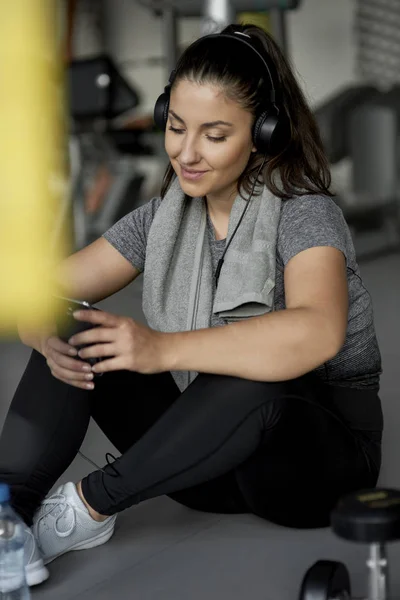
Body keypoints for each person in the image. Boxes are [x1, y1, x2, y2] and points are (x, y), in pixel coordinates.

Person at [0, 23, 383, 588]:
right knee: (74, 322)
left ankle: (85, 509)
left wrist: (162, 349)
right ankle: (10, 513)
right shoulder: (167, 215)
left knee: (262, 358)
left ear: (264, 133)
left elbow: (317, 332)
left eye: (215, 134)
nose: (186, 152)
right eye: (176, 128)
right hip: (210, 461)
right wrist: (42, 330)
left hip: (314, 469)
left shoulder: (304, 212)